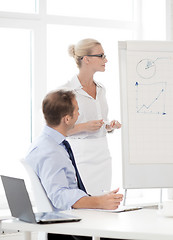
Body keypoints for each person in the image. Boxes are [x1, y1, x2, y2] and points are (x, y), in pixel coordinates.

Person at [25, 90, 123, 240]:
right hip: (69, 229)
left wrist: (99, 199)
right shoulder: (50, 151)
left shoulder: (47, 143)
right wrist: (98, 202)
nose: (79, 114)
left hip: (71, 222)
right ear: (67, 119)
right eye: (77, 110)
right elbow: (59, 195)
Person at [62, 38, 121, 196]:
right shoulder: (67, 91)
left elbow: (101, 121)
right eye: (101, 56)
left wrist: (109, 126)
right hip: (80, 156)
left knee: (101, 204)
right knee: (84, 204)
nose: (106, 60)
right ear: (86, 59)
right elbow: (58, 130)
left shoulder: (101, 89)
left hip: (103, 155)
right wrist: (84, 126)